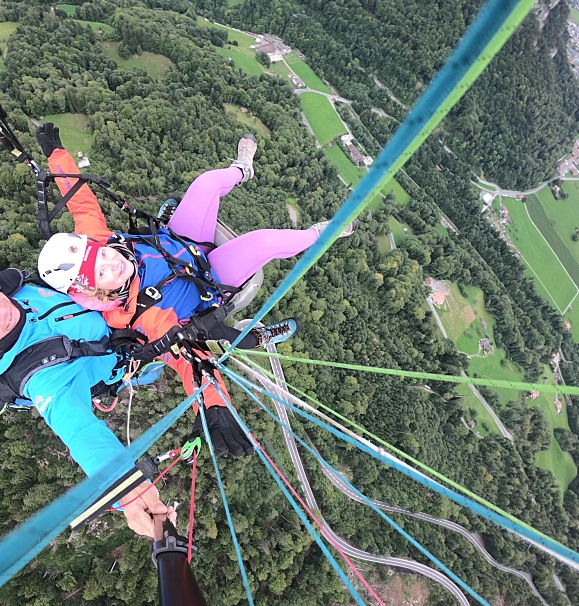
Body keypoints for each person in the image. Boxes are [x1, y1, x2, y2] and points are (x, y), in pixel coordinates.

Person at [35, 124, 356, 453]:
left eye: (103, 254)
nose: (111, 261)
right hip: (211, 279)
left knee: (205, 184)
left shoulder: (98, 243)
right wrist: (214, 407)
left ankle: (241, 170)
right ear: (99, 294)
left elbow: (80, 200)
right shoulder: (144, 319)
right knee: (266, 242)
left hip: (177, 244)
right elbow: (190, 359)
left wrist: (56, 154)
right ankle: (322, 234)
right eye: (102, 273)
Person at [0, 214, 175, 539]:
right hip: (126, 359)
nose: (2, 311)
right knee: (160, 363)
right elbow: (80, 432)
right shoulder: (42, 377)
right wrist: (129, 491)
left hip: (111, 310)